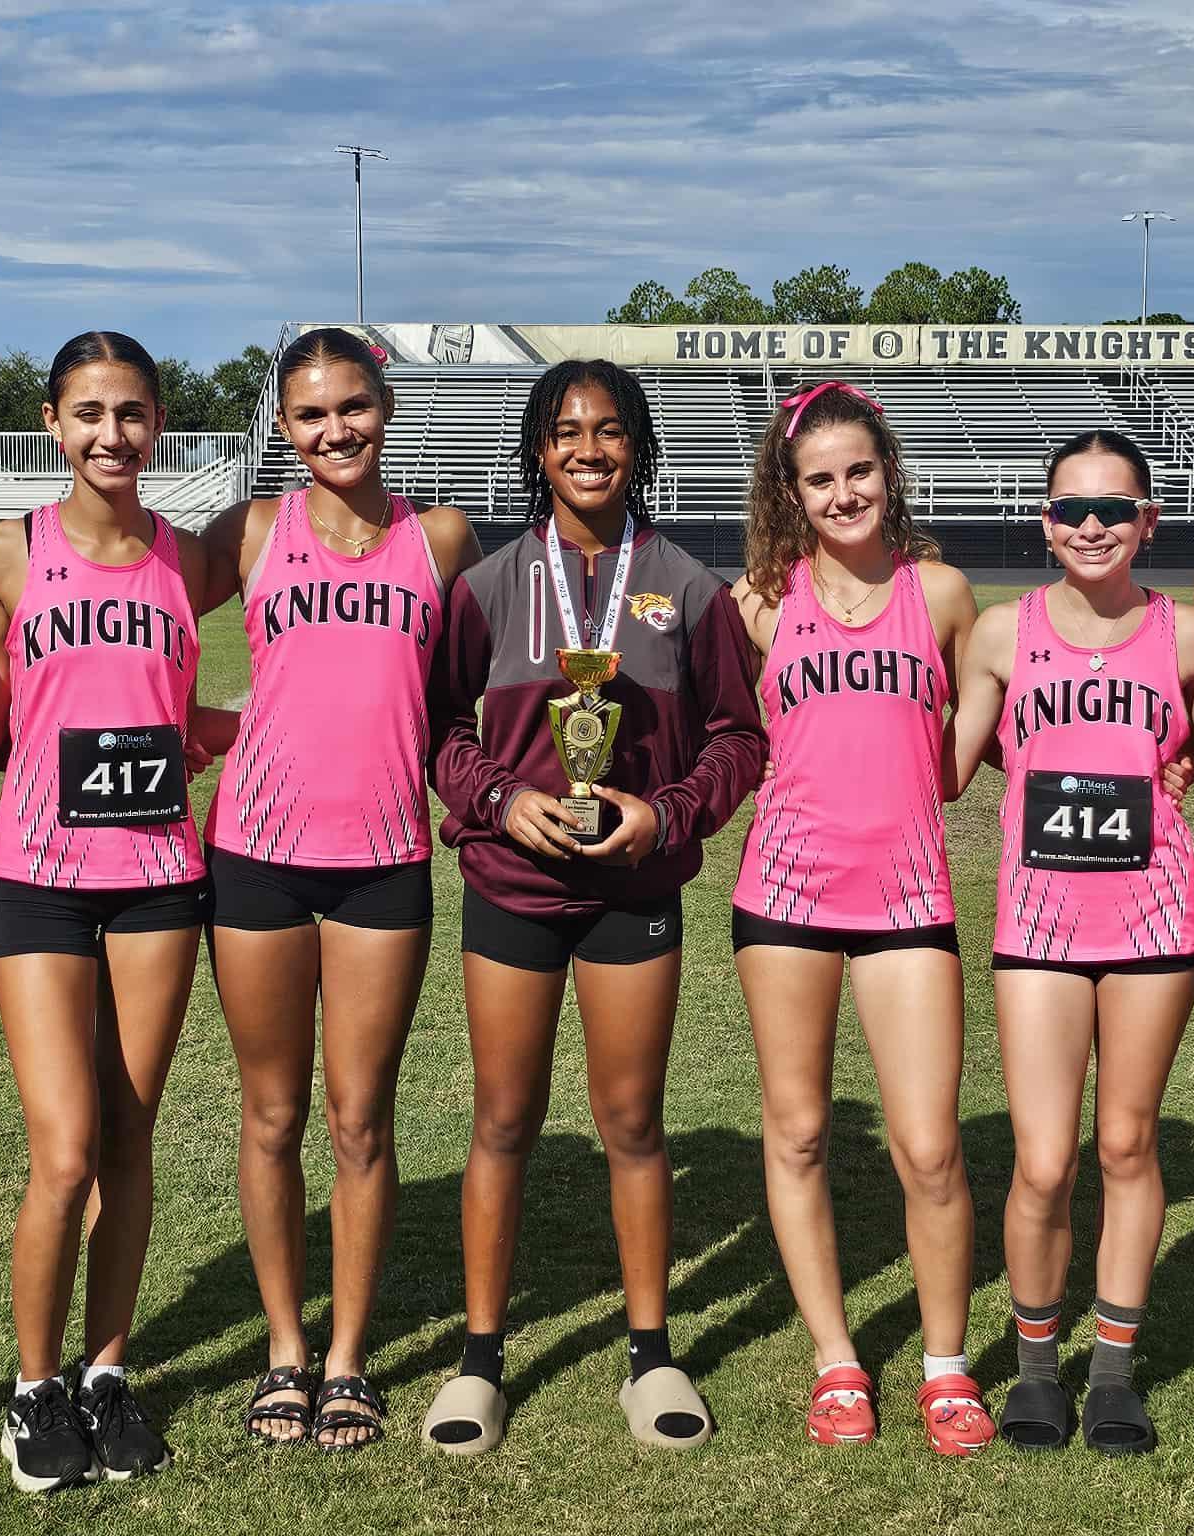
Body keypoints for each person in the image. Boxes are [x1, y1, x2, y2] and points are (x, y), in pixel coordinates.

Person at [420, 359, 764, 1455]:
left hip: (633, 891)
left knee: (629, 1123)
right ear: (535, 449)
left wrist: (666, 817)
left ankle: (649, 1354)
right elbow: (436, 727)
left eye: (608, 431)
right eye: (565, 430)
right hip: (512, 884)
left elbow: (737, 737)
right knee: (504, 1121)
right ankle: (479, 1361)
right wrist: (498, 798)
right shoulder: (483, 584)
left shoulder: (687, 586)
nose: (586, 448)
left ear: (636, 447)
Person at [194, 327, 480, 1451]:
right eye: (310, 415)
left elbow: (473, 694)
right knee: (271, 1114)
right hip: (255, 855)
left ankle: (350, 1358)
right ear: (281, 425)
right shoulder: (253, 531)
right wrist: (203, 730)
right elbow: (139, 627)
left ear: (385, 405)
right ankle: (282, 1349)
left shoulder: (441, 537)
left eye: (351, 407)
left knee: (360, 1119)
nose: (333, 431)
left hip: (382, 862)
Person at [949, 429, 1194, 1457]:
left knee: (1123, 1143)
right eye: (1071, 508)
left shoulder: (1189, 633)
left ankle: (1110, 1373)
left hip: (1153, 919)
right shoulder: (996, 633)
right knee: (1039, 1161)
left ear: (1146, 521)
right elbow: (947, 766)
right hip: (1036, 921)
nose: (1090, 526)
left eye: (1113, 509)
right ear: (1041, 522)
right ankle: (1034, 1370)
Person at [727, 381, 990, 1453]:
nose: (843, 494)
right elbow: (727, 737)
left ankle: (943, 1364)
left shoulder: (941, 595)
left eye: (859, 472)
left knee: (927, 1148)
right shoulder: (753, 602)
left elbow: (969, 755)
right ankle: (837, 1360)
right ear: (789, 493)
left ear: (889, 473)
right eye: (819, 479)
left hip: (906, 899)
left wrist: (1156, 755)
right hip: (782, 895)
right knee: (794, 1133)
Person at [0, 332, 213, 1491]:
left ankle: (106, 1375)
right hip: (40, 880)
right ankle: (33, 1389)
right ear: (52, 423)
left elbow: (175, 706)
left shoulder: (189, 558)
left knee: (129, 1137)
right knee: (62, 1154)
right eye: (87, 412)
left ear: (159, 421)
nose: (111, 434)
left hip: (162, 879)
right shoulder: (8, 554)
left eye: (131, 412)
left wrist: (230, 729)